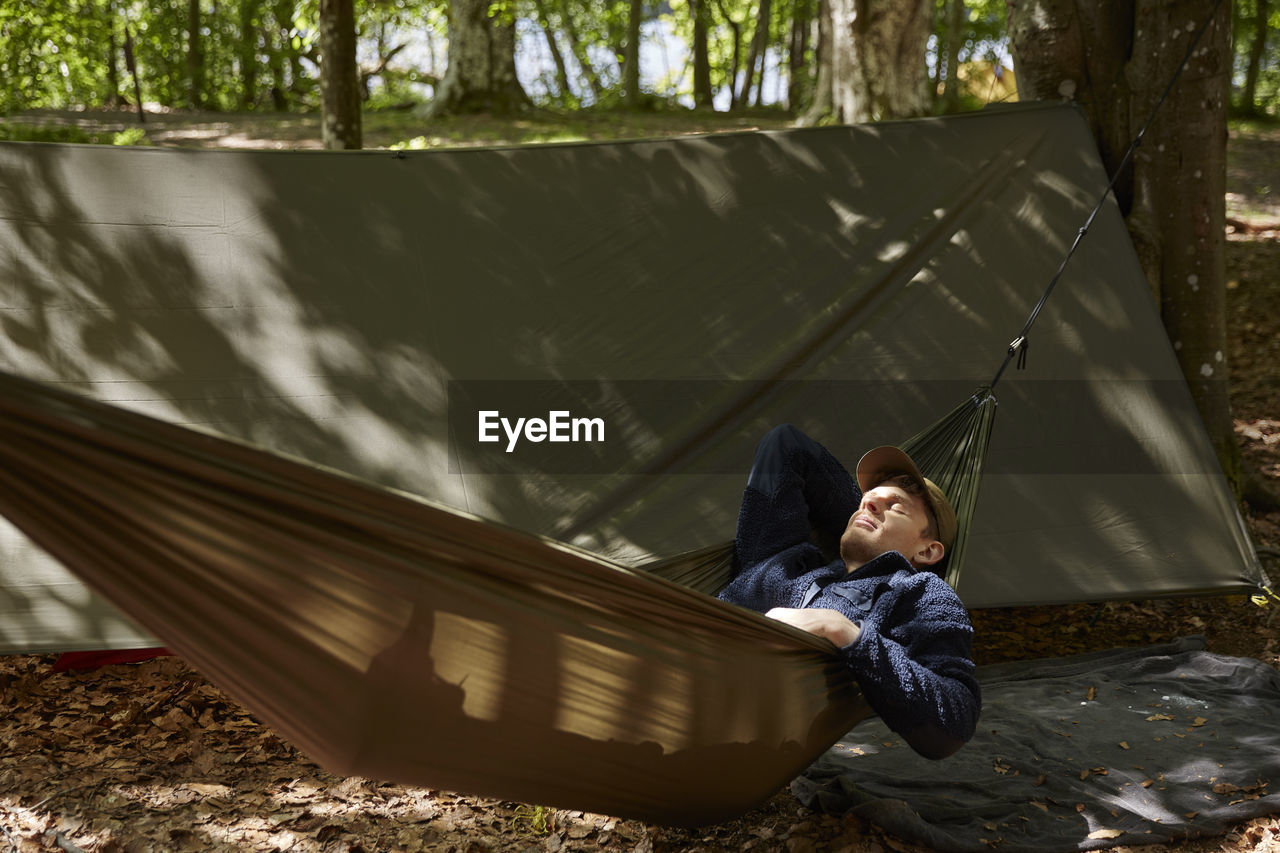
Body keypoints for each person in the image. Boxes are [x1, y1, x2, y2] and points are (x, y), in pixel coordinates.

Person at [718, 424, 981, 760]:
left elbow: (954, 721)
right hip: (665, 657)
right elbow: (786, 445)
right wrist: (870, 507)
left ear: (928, 551)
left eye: (898, 507)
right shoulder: (784, 557)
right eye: (865, 499)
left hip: (727, 711)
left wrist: (845, 632)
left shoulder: (917, 592)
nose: (870, 502)